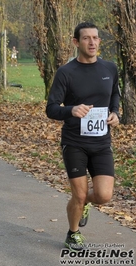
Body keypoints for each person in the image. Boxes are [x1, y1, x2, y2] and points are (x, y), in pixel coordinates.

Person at [46, 22, 121, 251]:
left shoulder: (109, 68)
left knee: (104, 195)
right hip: (75, 142)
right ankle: (73, 233)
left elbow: (115, 95)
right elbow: (51, 109)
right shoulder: (66, 72)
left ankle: (84, 203)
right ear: (76, 42)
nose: (92, 42)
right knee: (78, 194)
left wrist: (115, 113)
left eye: (96, 38)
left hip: (101, 142)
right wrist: (71, 110)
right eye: (86, 38)